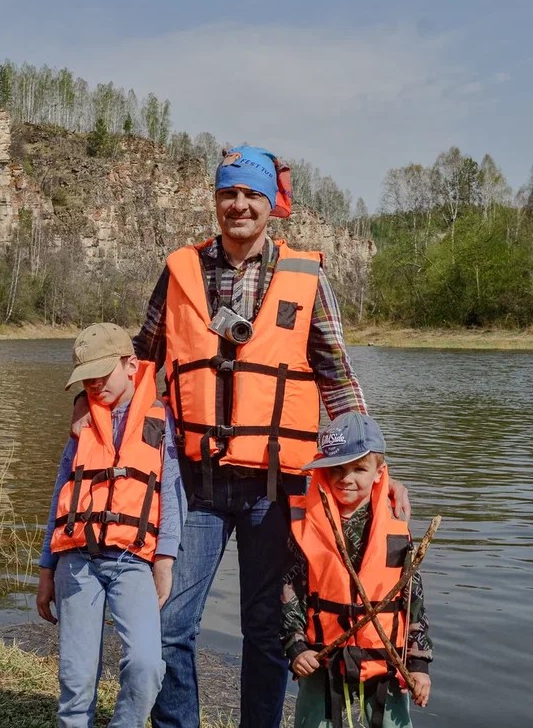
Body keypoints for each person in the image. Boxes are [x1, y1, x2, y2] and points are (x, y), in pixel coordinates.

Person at [125, 145, 411, 728]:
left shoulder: (305, 277)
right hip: (194, 486)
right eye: (229, 194)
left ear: (270, 204)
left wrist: (377, 466)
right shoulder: (181, 270)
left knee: (266, 629)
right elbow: (143, 359)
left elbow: (338, 379)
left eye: (251, 195)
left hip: (274, 490)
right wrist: (92, 404)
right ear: (215, 201)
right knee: (170, 624)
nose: (239, 205)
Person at [36, 322, 184, 728]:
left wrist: (165, 560)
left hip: (132, 561)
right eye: (86, 378)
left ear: (132, 364)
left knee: (147, 664)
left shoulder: (161, 419)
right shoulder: (82, 422)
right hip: (76, 563)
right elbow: (60, 494)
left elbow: (170, 492)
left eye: (102, 374)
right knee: (76, 681)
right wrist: (45, 568)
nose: (94, 384)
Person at [282, 412, 432, 728]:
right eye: (337, 469)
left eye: (359, 469)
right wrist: (296, 648)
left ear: (380, 474)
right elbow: (290, 592)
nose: (346, 478)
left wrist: (419, 665)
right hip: (320, 660)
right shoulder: (304, 525)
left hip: (386, 665)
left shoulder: (395, 527)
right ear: (323, 471)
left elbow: (412, 601)